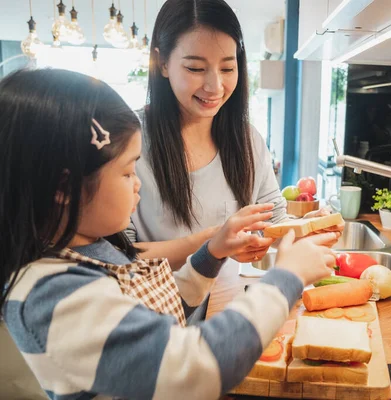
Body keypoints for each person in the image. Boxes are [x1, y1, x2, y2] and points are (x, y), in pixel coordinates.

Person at [0, 69, 336, 400]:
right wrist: (287, 277)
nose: (138, 184)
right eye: (127, 171)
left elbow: (158, 312)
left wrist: (212, 252)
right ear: (64, 187)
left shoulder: (91, 250)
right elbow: (196, 367)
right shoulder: (52, 297)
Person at [128, 0, 342, 268]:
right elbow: (114, 257)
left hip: (228, 303)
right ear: (162, 63)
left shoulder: (248, 140)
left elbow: (273, 222)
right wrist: (212, 244)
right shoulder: (128, 140)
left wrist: (308, 228)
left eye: (228, 68)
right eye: (195, 68)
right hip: (158, 308)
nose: (215, 86)